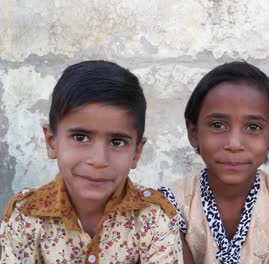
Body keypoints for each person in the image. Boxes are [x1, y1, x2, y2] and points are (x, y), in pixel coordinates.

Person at [0, 60, 184, 263]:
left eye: (117, 141)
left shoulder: (154, 217)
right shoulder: (26, 214)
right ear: (52, 142)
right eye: (80, 137)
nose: (98, 160)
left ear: (136, 152)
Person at [159, 61, 269, 263]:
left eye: (253, 127)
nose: (234, 144)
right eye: (218, 125)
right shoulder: (168, 205)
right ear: (194, 133)